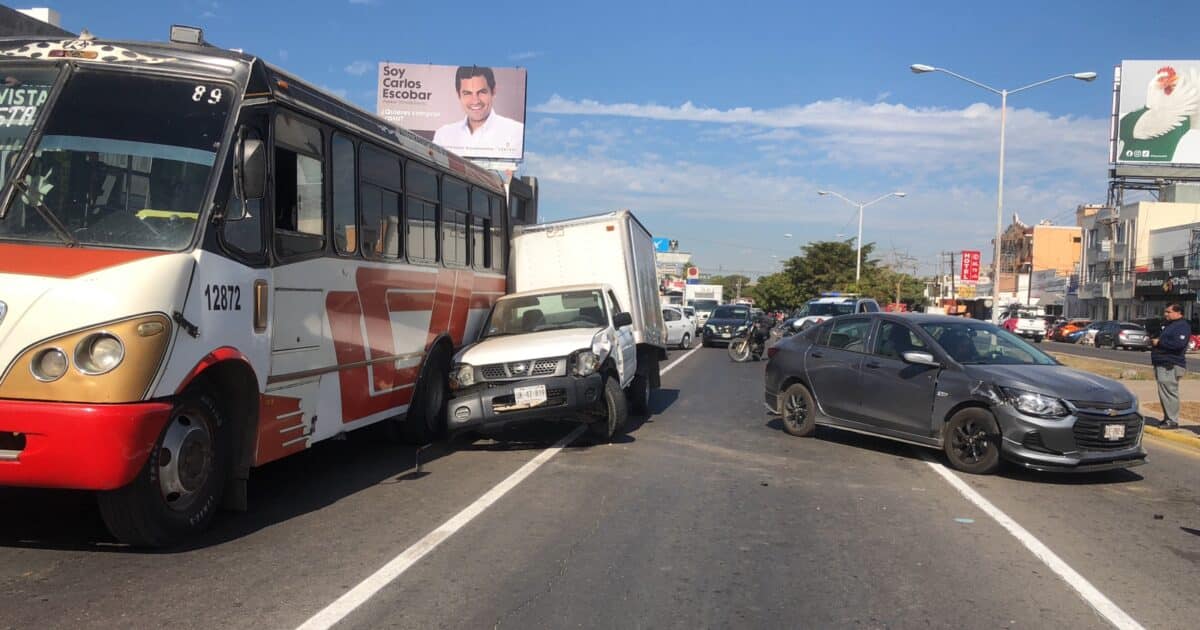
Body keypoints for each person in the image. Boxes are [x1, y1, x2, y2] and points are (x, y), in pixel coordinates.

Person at [432, 66, 524, 159]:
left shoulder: (516, 132)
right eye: (467, 93)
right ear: (458, 95)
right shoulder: (443, 135)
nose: (475, 101)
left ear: (493, 91)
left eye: (482, 92)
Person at [1151, 302, 1190, 430]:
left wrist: (1160, 342)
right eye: (1165, 311)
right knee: (1163, 392)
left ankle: (1172, 420)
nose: (1165, 314)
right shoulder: (1168, 325)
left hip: (1171, 364)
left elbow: (1178, 344)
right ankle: (1168, 418)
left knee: (1169, 391)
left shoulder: (1182, 326)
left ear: (1178, 313)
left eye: (1169, 312)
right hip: (1161, 362)